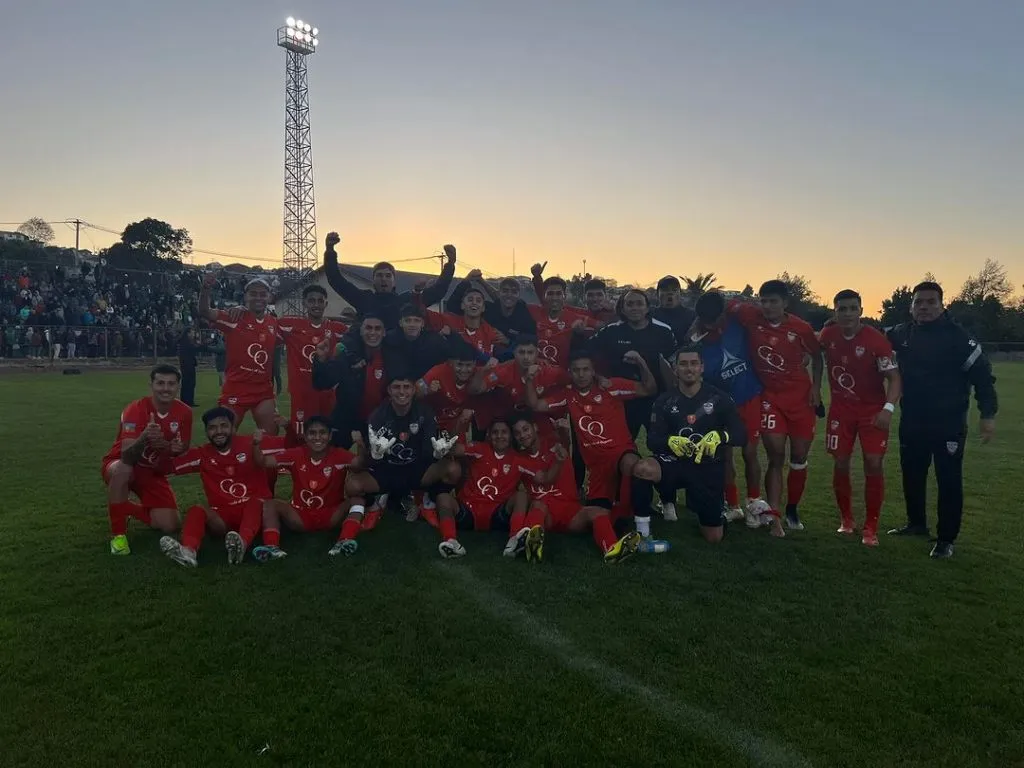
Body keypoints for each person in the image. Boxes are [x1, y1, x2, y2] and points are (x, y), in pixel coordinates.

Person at [885, 281, 997, 558]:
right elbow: (872, 340)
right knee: (912, 473)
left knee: (948, 480)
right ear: (911, 306)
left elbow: (983, 377)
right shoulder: (902, 333)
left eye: (930, 302)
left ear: (941, 305)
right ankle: (916, 524)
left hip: (948, 422)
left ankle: (946, 539)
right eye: (918, 302)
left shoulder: (958, 338)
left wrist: (988, 414)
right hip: (912, 418)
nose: (924, 307)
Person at [526, 348, 657, 532]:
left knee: (631, 463)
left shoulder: (610, 387)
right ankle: (621, 514)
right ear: (570, 372)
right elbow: (536, 405)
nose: (581, 374)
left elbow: (649, 389)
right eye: (576, 370)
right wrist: (530, 379)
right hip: (597, 469)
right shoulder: (568, 396)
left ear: (593, 371)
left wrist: (641, 363)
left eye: (586, 369)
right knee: (600, 517)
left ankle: (643, 530)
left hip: (620, 453)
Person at [335, 372, 465, 558]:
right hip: (387, 471)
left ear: (413, 390)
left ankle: (429, 499)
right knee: (353, 485)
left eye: (406, 387)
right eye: (397, 387)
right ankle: (375, 503)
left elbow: (429, 451)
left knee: (453, 469)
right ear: (389, 390)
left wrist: (438, 452)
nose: (401, 392)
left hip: (416, 470)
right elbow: (366, 461)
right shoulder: (378, 415)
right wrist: (373, 454)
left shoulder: (424, 412)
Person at [730, 280, 823, 531]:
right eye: (764, 300)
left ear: (785, 304)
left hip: (801, 401)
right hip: (771, 398)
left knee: (799, 457)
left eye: (773, 301)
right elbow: (722, 305)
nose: (767, 306)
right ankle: (775, 518)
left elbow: (816, 355)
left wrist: (815, 389)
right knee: (775, 456)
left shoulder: (801, 328)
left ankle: (792, 508)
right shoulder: (751, 315)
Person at [631, 346, 746, 543]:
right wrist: (670, 441)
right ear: (675, 369)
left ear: (702, 367)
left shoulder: (719, 398)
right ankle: (643, 532)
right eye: (683, 364)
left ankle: (712, 513)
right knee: (643, 468)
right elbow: (652, 441)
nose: (689, 369)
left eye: (694, 363)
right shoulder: (664, 401)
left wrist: (720, 436)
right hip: (675, 463)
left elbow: (741, 434)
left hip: (707, 467)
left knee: (713, 537)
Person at [820, 290, 901, 546]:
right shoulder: (828, 335)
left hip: (871, 412)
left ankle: (871, 527)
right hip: (840, 412)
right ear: (834, 312)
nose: (847, 313)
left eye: (852, 308)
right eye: (841, 309)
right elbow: (809, 347)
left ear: (861, 311)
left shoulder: (876, 341)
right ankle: (847, 521)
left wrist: (887, 409)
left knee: (873, 464)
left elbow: (895, 378)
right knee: (841, 463)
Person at [511, 414, 641, 563]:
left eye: (525, 429)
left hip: (570, 510)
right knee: (539, 504)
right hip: (546, 515)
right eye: (517, 433)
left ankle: (612, 550)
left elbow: (566, 443)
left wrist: (564, 432)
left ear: (534, 427)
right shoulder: (519, 460)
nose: (522, 435)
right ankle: (529, 544)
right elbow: (546, 478)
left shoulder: (553, 443)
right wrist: (558, 462)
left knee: (596, 512)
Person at [689, 290, 771, 526]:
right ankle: (733, 505)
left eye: (718, 319)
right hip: (722, 406)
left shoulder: (737, 321)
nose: (716, 324)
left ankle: (754, 502)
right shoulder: (699, 342)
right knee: (724, 455)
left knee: (749, 453)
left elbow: (753, 310)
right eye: (709, 321)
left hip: (749, 398)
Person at [160, 408, 270, 567]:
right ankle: (188, 552)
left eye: (224, 426)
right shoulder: (202, 454)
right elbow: (165, 468)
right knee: (197, 510)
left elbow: (295, 448)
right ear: (206, 431)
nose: (218, 431)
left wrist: (288, 427)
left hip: (254, 512)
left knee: (256, 503)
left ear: (233, 427)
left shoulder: (252, 443)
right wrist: (168, 450)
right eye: (212, 427)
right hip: (222, 518)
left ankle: (242, 544)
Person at [100, 365, 193, 555]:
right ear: (151, 384)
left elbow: (181, 448)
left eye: (171, 384)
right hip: (121, 464)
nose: (165, 388)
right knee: (123, 470)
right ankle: (118, 537)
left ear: (178, 386)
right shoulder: (136, 409)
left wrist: (169, 448)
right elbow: (126, 455)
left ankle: (121, 507)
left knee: (170, 525)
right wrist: (145, 437)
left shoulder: (185, 412)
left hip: (152, 471)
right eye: (160, 383)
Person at [249, 416, 357, 561]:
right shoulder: (295, 453)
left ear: (330, 435)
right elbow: (262, 462)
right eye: (312, 433)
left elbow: (360, 464)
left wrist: (361, 444)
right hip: (300, 515)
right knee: (270, 504)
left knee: (357, 499)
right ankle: (272, 547)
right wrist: (256, 444)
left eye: (322, 432)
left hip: (331, 514)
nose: (317, 437)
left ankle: (344, 541)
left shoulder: (339, 454)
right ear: (305, 437)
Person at [588, 288, 677, 439]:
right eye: (629, 304)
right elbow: (586, 354)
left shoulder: (663, 331)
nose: (635, 308)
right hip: (622, 400)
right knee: (621, 445)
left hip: (656, 399)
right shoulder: (611, 331)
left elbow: (674, 365)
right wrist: (598, 377)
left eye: (639, 304)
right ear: (622, 308)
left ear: (647, 307)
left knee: (662, 445)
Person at [198, 274, 280, 433]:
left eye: (263, 294)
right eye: (253, 294)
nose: (258, 297)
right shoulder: (234, 317)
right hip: (235, 389)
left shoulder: (274, 323)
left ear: (269, 297)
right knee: (225, 435)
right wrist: (206, 288)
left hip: (263, 391)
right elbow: (204, 311)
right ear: (245, 296)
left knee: (271, 435)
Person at [322, 232, 456, 328]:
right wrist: (330, 251)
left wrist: (450, 264)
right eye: (379, 276)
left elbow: (438, 291)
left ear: (394, 281)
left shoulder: (406, 300)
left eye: (387, 276)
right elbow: (336, 281)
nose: (383, 279)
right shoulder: (364, 299)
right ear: (373, 280)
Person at [274, 285, 348, 444]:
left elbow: (359, 335)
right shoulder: (289, 325)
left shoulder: (337, 329)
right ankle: (300, 466)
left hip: (327, 392)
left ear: (325, 304)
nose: (316, 304)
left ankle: (322, 467)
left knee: (327, 434)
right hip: (301, 391)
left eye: (320, 301)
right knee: (301, 435)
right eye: (311, 301)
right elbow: (263, 323)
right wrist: (241, 308)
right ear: (304, 303)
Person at [312, 314, 387, 448]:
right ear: (361, 331)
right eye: (368, 328)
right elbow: (321, 383)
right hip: (345, 418)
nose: (373, 332)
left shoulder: (390, 358)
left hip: (376, 421)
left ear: (384, 332)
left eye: (377, 328)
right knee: (333, 461)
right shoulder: (348, 355)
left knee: (370, 464)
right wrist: (321, 360)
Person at [452, 419, 529, 539]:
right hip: (469, 509)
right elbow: (456, 450)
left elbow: (542, 477)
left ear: (511, 436)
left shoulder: (520, 460)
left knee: (521, 496)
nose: (499, 436)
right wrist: (462, 423)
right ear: (488, 435)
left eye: (504, 432)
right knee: (443, 498)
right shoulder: (480, 449)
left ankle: (514, 539)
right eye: (495, 432)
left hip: (497, 514)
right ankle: (450, 540)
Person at [527, 267, 600, 367]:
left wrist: (609, 311)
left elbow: (603, 325)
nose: (554, 298)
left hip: (562, 377)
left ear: (564, 296)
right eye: (550, 294)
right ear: (544, 296)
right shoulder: (533, 311)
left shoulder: (575, 318)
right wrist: (537, 278)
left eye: (558, 294)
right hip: (535, 374)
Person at [446, 272, 537, 352]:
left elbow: (532, 339)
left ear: (519, 295)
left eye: (514, 292)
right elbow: (452, 306)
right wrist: (466, 280)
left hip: (507, 360)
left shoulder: (524, 315)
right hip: (481, 355)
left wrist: (508, 341)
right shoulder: (487, 309)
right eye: (505, 291)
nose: (509, 295)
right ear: (499, 292)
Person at [417, 339, 479, 434]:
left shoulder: (478, 375)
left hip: (456, 425)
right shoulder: (437, 372)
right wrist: (427, 390)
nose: (464, 370)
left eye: (468, 365)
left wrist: (473, 409)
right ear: (450, 362)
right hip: (431, 424)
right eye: (459, 364)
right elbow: (415, 391)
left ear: (475, 364)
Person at [652, 276, 696, 346]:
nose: (670, 293)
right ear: (657, 294)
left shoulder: (693, 316)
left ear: (680, 293)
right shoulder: (649, 315)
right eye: (665, 290)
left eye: (674, 290)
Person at [177, 328, 200, 407]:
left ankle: (187, 401)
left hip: (187, 365)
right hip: (188, 366)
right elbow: (194, 348)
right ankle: (187, 401)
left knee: (188, 384)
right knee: (189, 383)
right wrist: (197, 341)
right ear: (188, 333)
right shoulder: (186, 342)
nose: (193, 334)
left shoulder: (184, 342)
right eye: (192, 332)